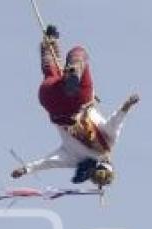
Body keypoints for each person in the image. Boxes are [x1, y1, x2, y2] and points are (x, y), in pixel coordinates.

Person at [11, 24, 139, 187]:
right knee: (50, 75)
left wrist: (128, 104)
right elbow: (49, 162)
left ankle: (72, 70)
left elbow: (116, 120)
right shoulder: (73, 160)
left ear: (106, 162)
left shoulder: (108, 142)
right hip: (52, 103)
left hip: (79, 101)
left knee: (79, 53)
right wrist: (26, 169)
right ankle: (50, 44)